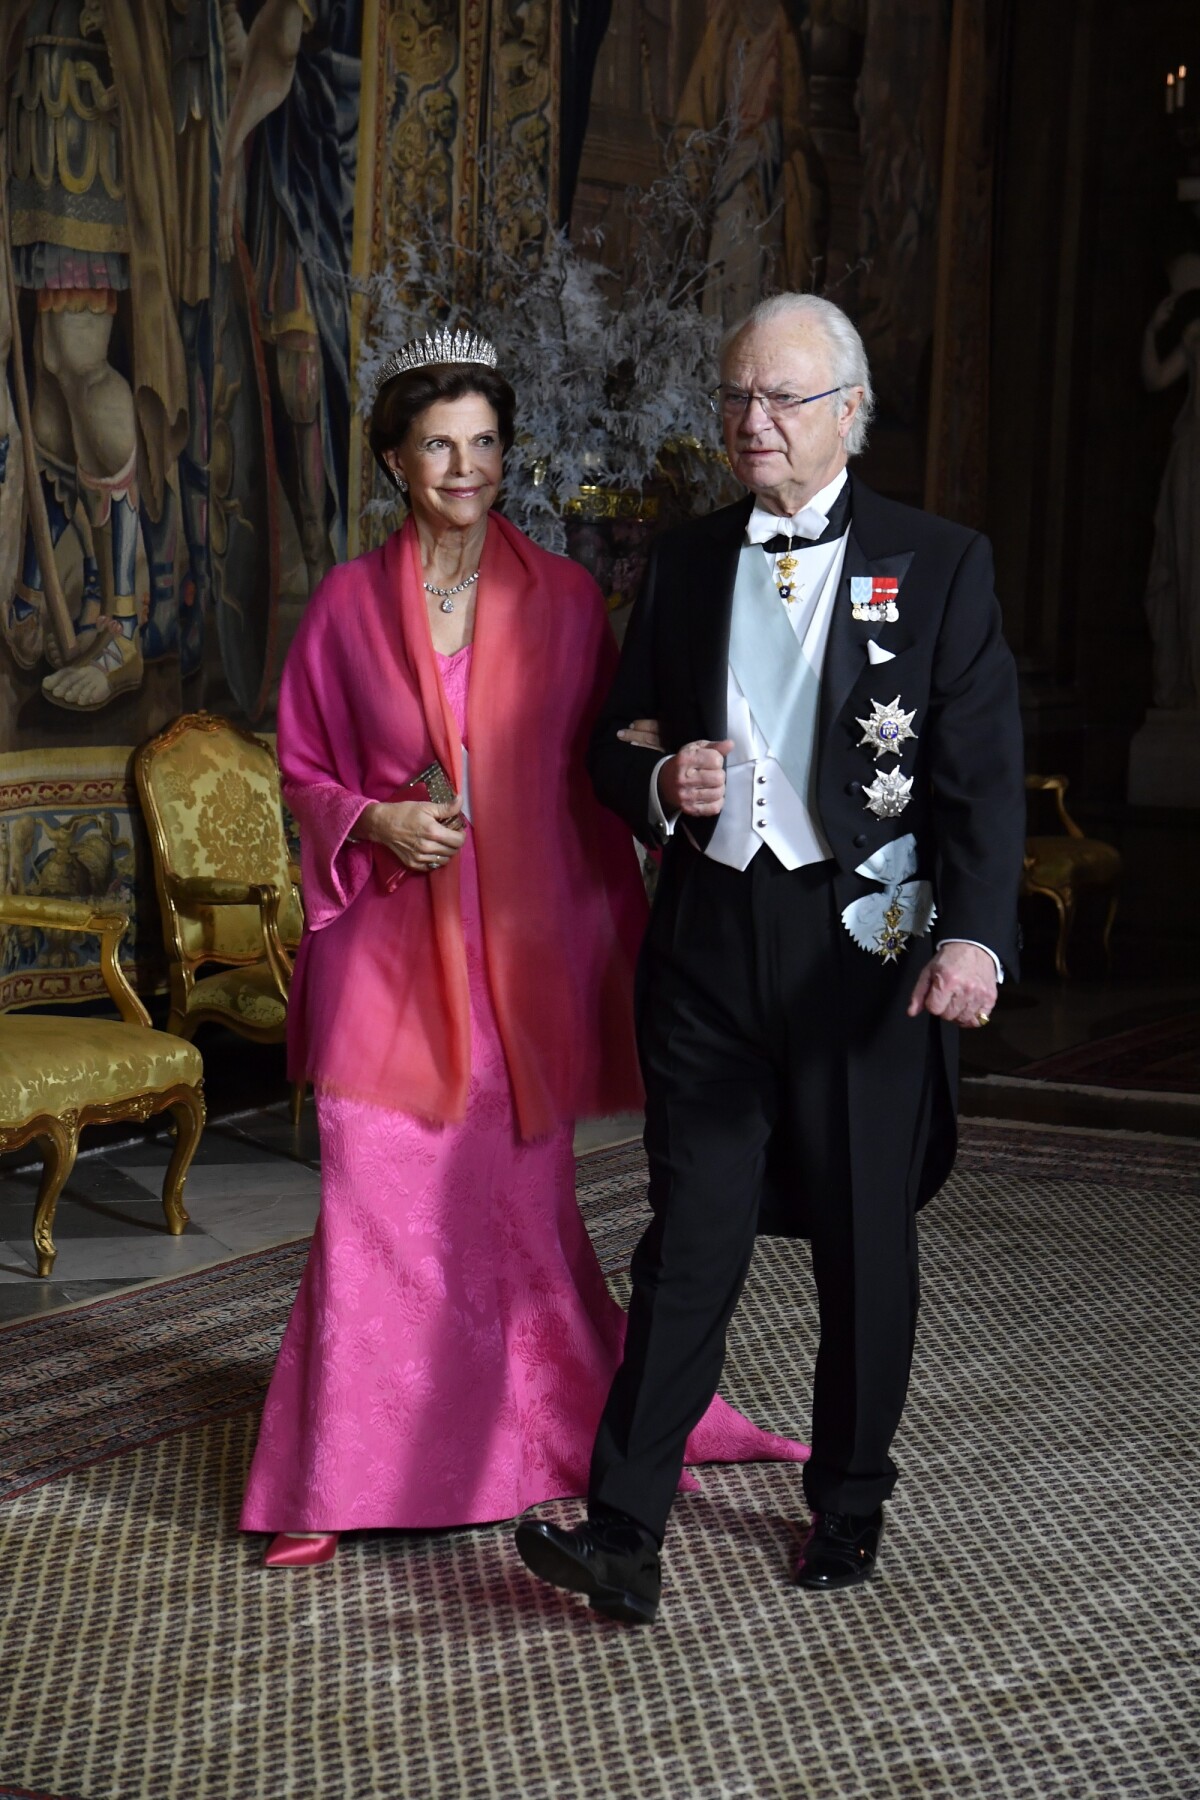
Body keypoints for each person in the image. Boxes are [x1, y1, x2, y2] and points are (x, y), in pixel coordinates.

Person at [240, 327, 806, 1566]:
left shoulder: (559, 601)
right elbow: (303, 766)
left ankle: (531, 1439)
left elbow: (610, 765)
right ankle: (338, 1479)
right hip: (389, 949)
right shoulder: (343, 605)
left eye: (485, 444)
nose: (465, 467)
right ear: (395, 458)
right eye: (439, 445)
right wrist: (372, 816)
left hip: (518, 956)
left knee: (509, 1211)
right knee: (375, 1206)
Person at [515, 292, 1024, 1623]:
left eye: (780, 399)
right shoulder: (684, 562)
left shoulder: (942, 560)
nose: (750, 422)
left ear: (847, 413)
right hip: (709, 947)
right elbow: (607, 742)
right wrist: (655, 776)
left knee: (864, 1237)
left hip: (866, 957)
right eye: (735, 396)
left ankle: (849, 1499)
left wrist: (973, 933)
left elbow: (980, 778)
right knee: (690, 1236)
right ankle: (623, 1524)